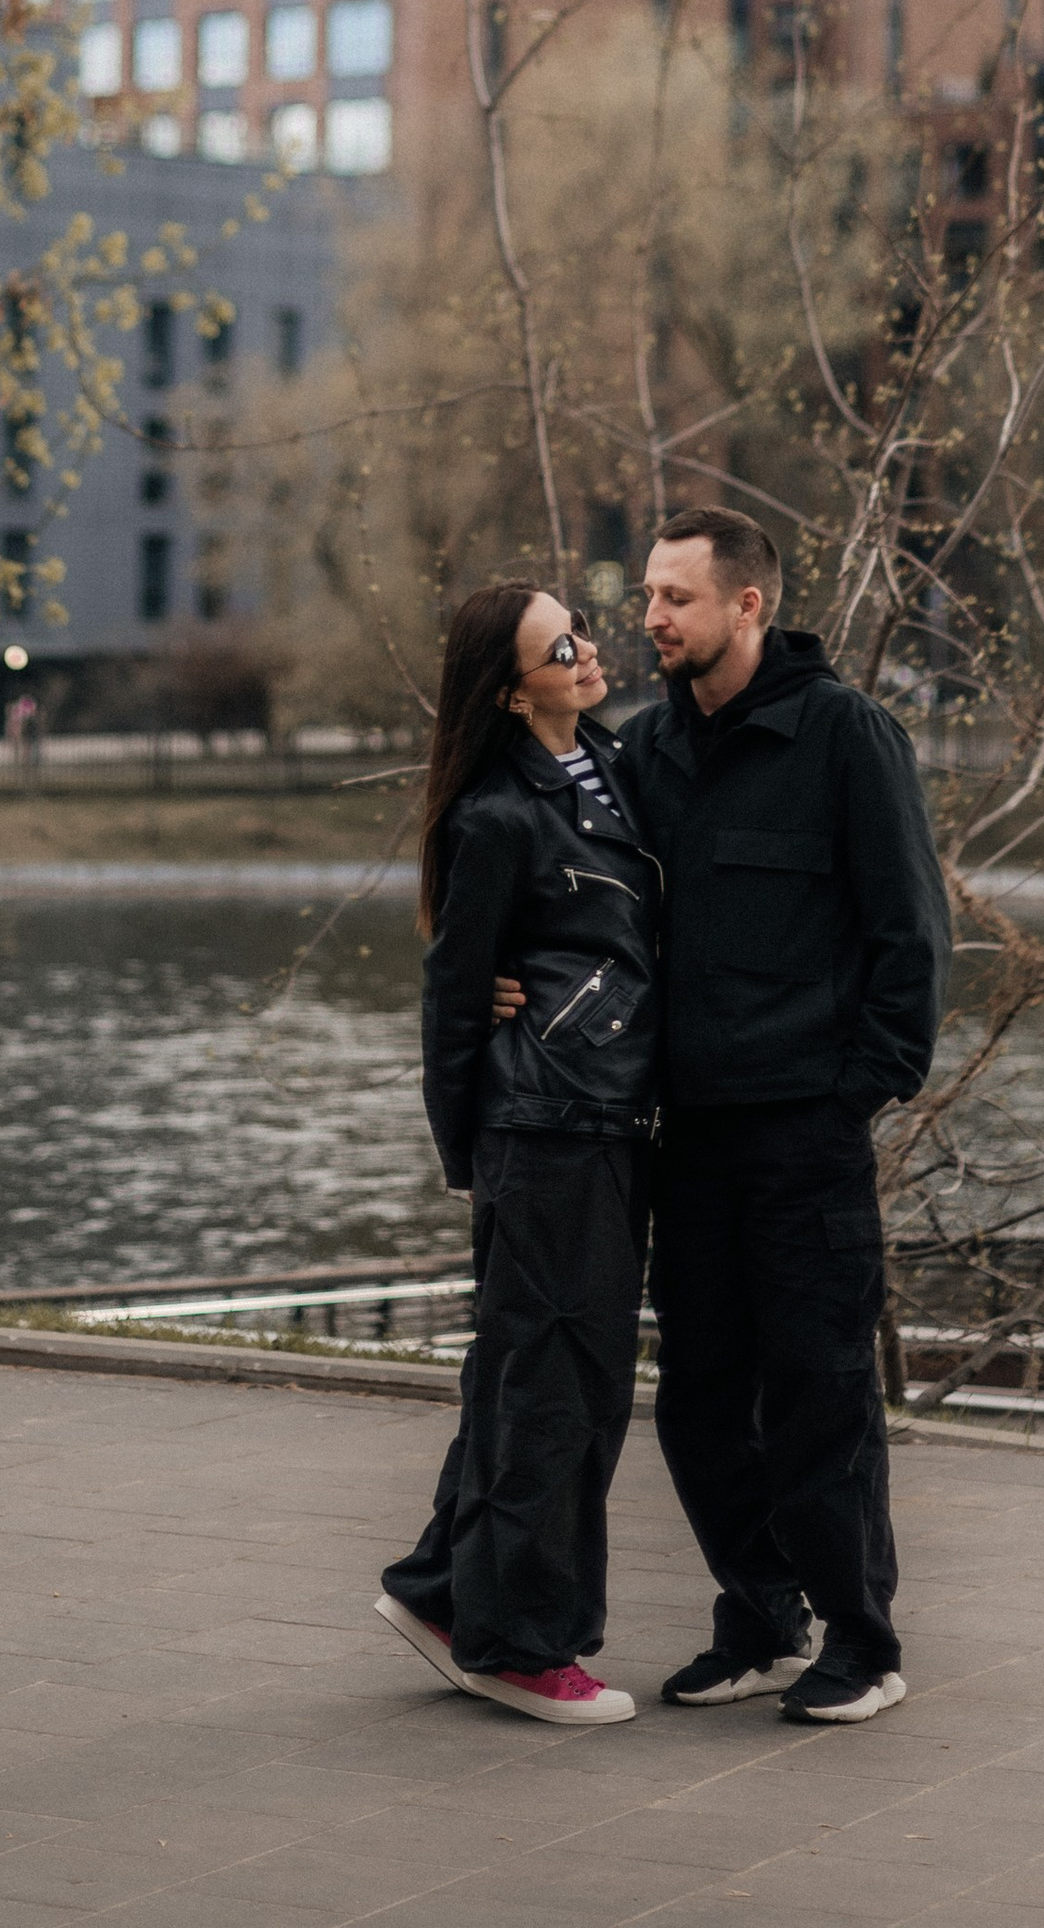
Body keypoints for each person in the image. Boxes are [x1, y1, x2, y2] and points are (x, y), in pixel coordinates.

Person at [581, 505, 948, 1727]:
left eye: (674, 596)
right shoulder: (646, 752)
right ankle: (760, 1616)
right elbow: (592, 908)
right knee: (696, 1399)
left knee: (817, 1390)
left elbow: (910, 937)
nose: (651, 617)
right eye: (646, 595)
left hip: (804, 1135)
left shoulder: (847, 736)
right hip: (686, 1137)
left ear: (748, 604)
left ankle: (861, 1637)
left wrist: (857, 1087)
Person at [374, 578, 659, 1728]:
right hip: (546, 1129)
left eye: (581, 627)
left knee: (531, 1376)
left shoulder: (613, 765)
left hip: (605, 1115)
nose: (588, 649)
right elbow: (453, 1001)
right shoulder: (498, 815)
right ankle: (522, 1644)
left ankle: (447, 1592)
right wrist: (473, 1150)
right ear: (509, 686)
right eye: (560, 644)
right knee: (556, 1388)